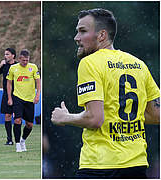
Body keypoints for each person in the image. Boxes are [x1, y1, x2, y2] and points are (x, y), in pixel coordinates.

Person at [51, 8, 160, 178]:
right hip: (136, 166)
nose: (76, 38)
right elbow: (157, 115)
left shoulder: (90, 63)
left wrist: (65, 117)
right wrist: (116, 114)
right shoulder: (138, 64)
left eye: (83, 31)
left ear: (101, 35)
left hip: (100, 166)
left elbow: (95, 119)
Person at [6, 49, 41, 152]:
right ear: (19, 59)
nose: (25, 62)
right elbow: (9, 83)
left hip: (30, 99)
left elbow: (38, 82)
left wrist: (37, 95)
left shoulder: (33, 67)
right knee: (17, 120)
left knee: (29, 124)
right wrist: (9, 97)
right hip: (17, 97)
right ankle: (17, 144)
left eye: (27, 60)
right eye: (23, 60)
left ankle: (22, 140)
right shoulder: (13, 68)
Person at [0, 48, 17, 145]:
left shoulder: (18, 65)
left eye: (7, 54)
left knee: (18, 117)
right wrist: (0, 65)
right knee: (7, 116)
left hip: (18, 93)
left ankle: (19, 139)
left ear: (13, 55)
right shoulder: (4, 66)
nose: (5, 56)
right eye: (5, 54)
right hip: (6, 93)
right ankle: (9, 139)